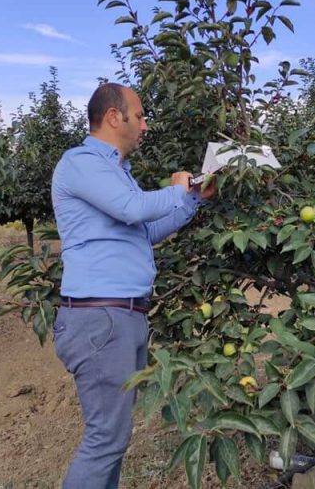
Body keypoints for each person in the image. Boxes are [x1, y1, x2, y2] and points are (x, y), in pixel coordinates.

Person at [50, 83, 216, 489]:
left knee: (113, 438)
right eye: (140, 116)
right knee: (105, 438)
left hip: (120, 316)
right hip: (99, 317)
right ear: (113, 117)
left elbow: (144, 230)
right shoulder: (81, 162)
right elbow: (133, 208)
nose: (145, 125)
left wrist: (193, 200)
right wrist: (178, 187)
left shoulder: (117, 173)